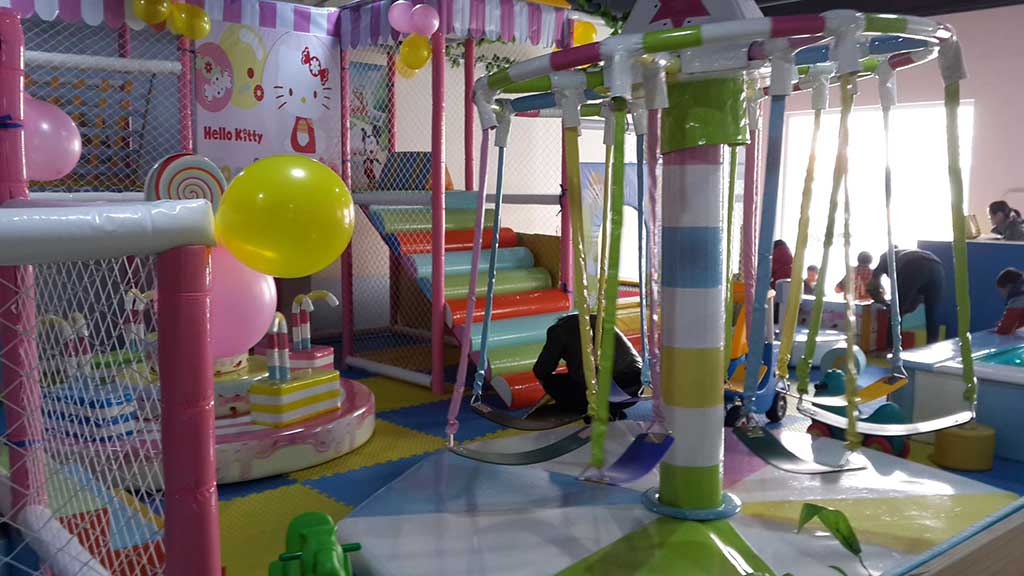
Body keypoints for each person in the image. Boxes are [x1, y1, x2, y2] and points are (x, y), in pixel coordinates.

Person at [532, 314, 641, 420]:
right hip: (634, 393)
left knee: (551, 382)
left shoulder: (559, 330)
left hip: (608, 393)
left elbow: (542, 369)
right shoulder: (600, 321)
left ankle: (587, 409)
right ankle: (611, 408)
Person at [867, 249, 944, 344]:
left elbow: (872, 287)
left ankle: (892, 347)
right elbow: (913, 301)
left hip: (912, 264)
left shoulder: (885, 256)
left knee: (896, 312)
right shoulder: (901, 256)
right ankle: (933, 346)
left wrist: (885, 303)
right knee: (933, 313)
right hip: (937, 266)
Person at [995, 268, 1024, 335]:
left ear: (1009, 286)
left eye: (1002, 290)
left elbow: (1004, 329)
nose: (1002, 294)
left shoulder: (1017, 300)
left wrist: (1001, 326)